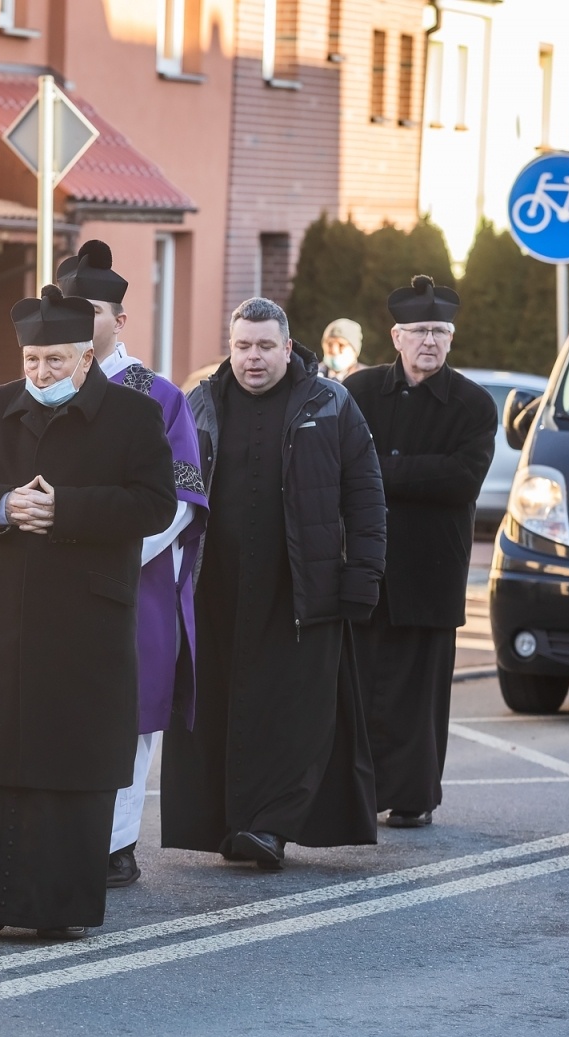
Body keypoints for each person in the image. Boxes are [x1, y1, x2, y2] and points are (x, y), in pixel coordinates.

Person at [0, 286, 176, 938]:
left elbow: (156, 503)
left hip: (86, 620)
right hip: (7, 614)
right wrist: (3, 504)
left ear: (84, 358)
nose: (40, 374)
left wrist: (64, 509)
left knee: (71, 758)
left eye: (55, 361)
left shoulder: (133, 414)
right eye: (31, 361)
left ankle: (58, 911)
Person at [162, 298, 384, 870]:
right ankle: (230, 824)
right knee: (222, 710)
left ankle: (270, 826)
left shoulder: (329, 403)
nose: (253, 357)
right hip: (216, 589)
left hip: (302, 589)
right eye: (243, 346)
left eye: (265, 346)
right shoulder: (199, 404)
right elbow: (171, 495)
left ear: (288, 348)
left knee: (293, 717)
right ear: (230, 347)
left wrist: (364, 575)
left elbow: (365, 496)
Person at [56, 241, 207, 888]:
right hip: (52, 584)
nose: (80, 320)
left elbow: (183, 497)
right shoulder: (43, 389)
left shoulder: (158, 396)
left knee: (129, 714)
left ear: (119, 320)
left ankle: (116, 842)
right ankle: (58, 832)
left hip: (132, 583)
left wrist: (112, 552)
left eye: (92, 310)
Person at [345, 276, 495, 829]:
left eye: (439, 331)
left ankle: (413, 798)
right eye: (418, 331)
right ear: (396, 336)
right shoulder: (359, 392)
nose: (428, 340)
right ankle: (355, 796)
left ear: (451, 339)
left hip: (432, 567)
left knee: (419, 694)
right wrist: (410, 473)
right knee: (358, 688)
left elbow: (462, 479)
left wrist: (380, 470)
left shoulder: (474, 404)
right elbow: (340, 465)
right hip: (365, 562)